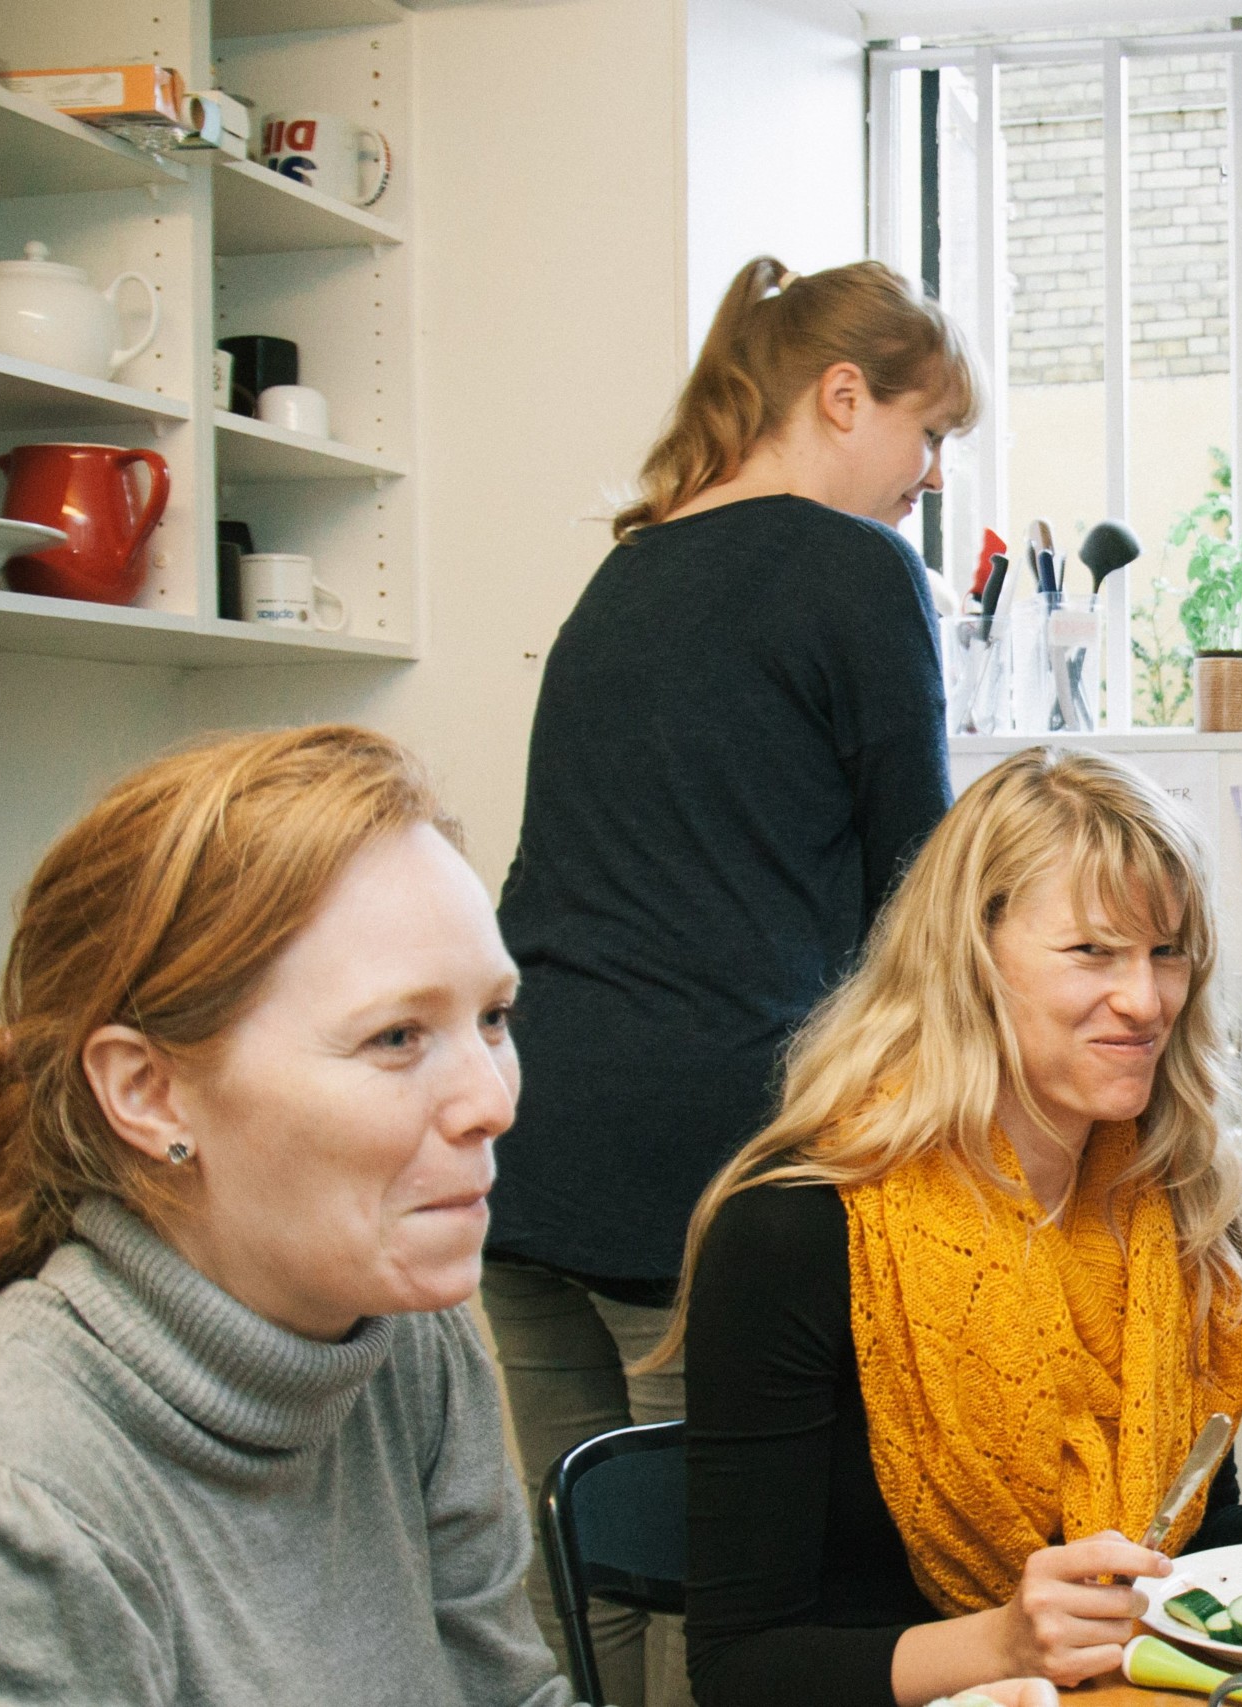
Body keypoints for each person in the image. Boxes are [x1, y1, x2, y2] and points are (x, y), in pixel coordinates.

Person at [661, 747, 1242, 1707]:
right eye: (1093, 951)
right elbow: (741, 1671)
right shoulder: (793, 1231)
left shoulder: (1169, 1209)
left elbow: (1159, 1551)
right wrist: (998, 1644)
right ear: (969, 959)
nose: (1146, 999)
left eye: (1167, 952)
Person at [482, 255, 977, 1702]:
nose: (930, 475)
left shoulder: (625, 569)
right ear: (842, 397)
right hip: (705, 1166)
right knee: (736, 1593)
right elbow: (924, 893)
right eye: (927, 431)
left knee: (587, 1573)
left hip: (527, 1132)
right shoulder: (856, 569)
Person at [0, 726, 574, 1707]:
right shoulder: (0, 1487)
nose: (493, 1099)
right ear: (148, 1092)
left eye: (494, 1018)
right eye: (397, 1037)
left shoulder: (407, 1339)